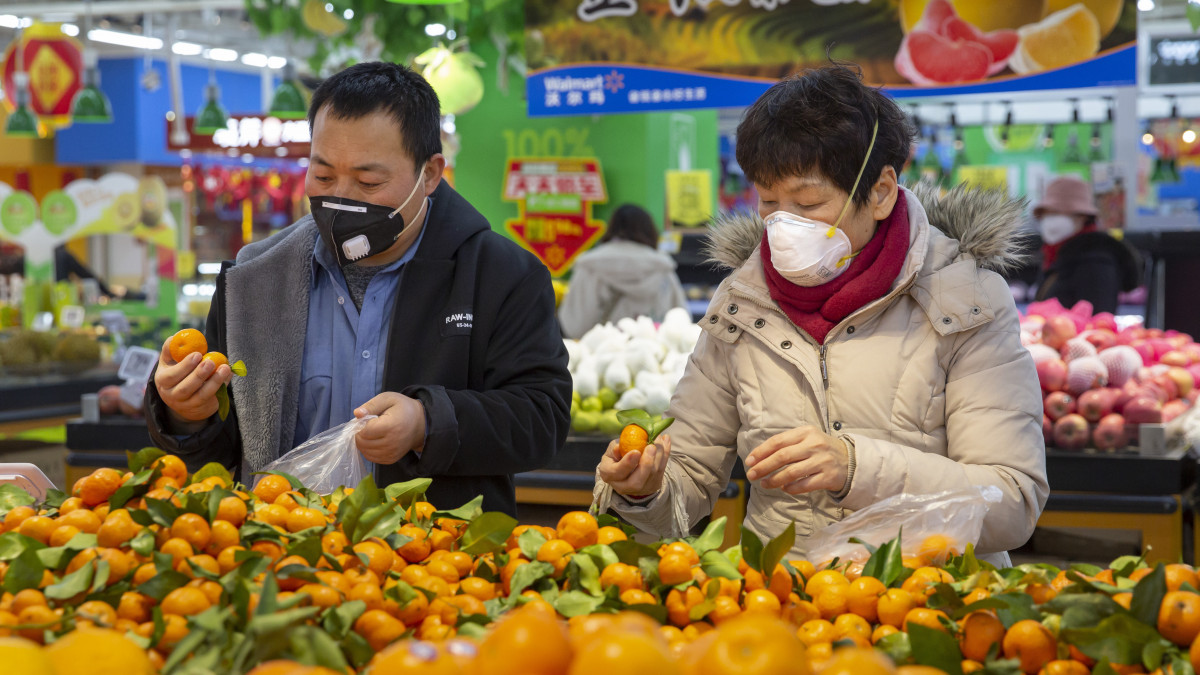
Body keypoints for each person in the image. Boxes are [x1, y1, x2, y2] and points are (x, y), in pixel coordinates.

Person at [594, 64, 1048, 566]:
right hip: (787, 604)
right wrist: (644, 489)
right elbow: (688, 474)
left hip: (925, 605)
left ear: (879, 192)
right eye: (769, 201)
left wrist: (855, 467)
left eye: (808, 203)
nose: (783, 224)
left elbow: (1012, 500)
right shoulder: (742, 303)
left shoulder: (966, 300)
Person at [146, 62, 571, 514]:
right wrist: (185, 414)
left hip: (434, 565)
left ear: (429, 175)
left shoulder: (499, 275)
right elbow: (218, 453)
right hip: (281, 556)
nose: (341, 198)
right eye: (323, 176)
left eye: (369, 182)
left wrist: (428, 422)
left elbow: (540, 418)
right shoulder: (254, 280)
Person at [558, 203, 688, 338]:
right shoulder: (662, 268)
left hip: (600, 354)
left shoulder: (590, 266)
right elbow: (681, 322)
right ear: (650, 230)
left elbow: (573, 326)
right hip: (653, 353)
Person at [1033, 175, 1140, 314]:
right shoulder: (1056, 256)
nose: (1049, 221)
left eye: (1057, 213)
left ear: (1082, 216)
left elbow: (1098, 321)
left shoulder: (1097, 261)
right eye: (1045, 214)